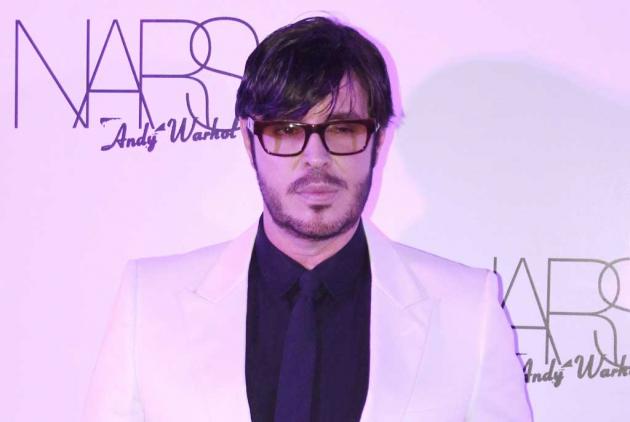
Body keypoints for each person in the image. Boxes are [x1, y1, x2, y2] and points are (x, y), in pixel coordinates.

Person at [84, 16, 532, 422]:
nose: (316, 158)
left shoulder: (468, 312)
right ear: (249, 141)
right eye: (287, 130)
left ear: (377, 141)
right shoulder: (151, 303)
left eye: (343, 129)